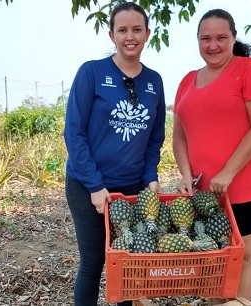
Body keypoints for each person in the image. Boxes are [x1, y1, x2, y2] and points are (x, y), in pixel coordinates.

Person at [63, 2, 166, 305]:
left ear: (147, 34)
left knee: (127, 262)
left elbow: (154, 138)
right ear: (111, 34)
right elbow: (74, 133)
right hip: (88, 185)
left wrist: (150, 178)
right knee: (94, 261)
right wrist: (95, 186)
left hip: (132, 187)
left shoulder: (154, 81)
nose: (129, 36)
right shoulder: (92, 72)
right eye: (122, 30)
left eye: (137, 29)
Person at [172, 8, 251, 305]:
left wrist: (228, 172)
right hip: (204, 191)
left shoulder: (250, 69)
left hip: (246, 185)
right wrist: (185, 174)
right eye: (206, 38)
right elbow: (179, 135)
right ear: (197, 41)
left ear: (233, 38)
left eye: (221, 37)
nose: (213, 45)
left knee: (239, 255)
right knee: (211, 258)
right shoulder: (187, 81)